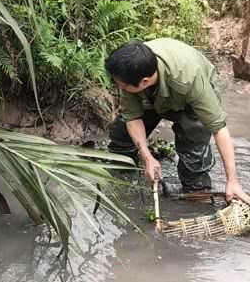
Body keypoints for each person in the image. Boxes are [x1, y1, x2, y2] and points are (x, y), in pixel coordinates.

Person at [105, 38, 250, 203]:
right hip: (150, 95)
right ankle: (123, 177)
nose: (118, 88)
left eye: (121, 85)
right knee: (122, 134)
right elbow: (132, 118)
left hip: (190, 99)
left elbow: (219, 128)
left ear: (144, 82)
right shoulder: (129, 73)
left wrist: (232, 180)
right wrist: (147, 158)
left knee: (193, 159)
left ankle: (196, 194)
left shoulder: (190, 79)